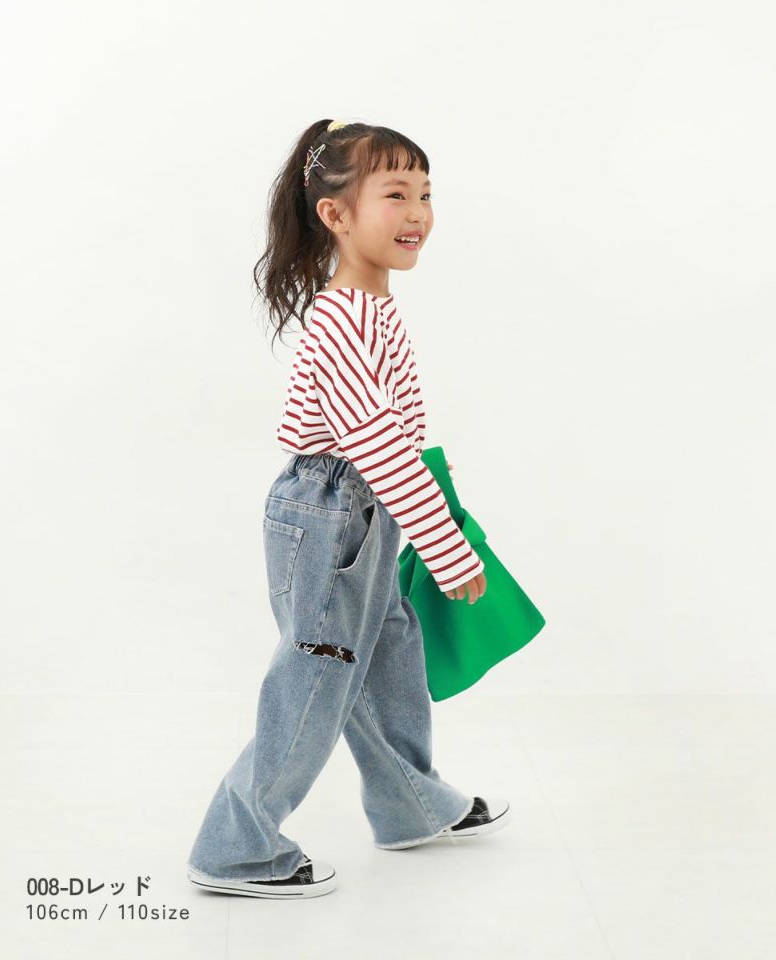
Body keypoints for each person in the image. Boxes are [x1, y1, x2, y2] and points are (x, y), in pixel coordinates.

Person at [186, 119, 510, 900]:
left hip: (364, 510)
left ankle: (409, 805)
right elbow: (374, 444)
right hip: (331, 511)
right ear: (335, 214)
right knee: (317, 673)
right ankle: (236, 846)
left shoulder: (373, 308)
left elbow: (390, 436)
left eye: (425, 194)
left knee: (388, 653)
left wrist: (423, 490)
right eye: (395, 194)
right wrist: (446, 547)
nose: (418, 212)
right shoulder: (340, 320)